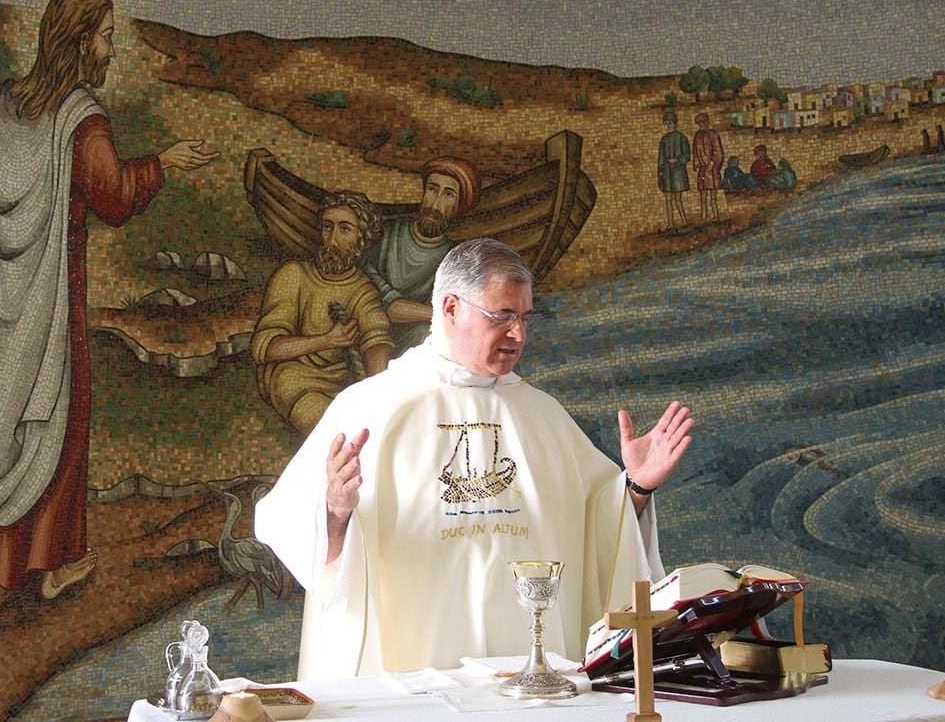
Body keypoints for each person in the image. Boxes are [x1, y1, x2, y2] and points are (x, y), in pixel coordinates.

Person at [255, 238, 694, 679]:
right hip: (411, 673)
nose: (518, 334)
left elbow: (596, 533)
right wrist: (334, 510)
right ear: (450, 308)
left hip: (530, 680)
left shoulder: (542, 414)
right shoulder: (371, 407)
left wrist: (636, 486)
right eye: (502, 315)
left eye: (524, 318)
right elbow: (287, 526)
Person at [0, 0, 219, 610]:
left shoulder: (2, 106)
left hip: (7, 290)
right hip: (54, 292)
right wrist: (165, 162)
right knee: (57, 420)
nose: (111, 51)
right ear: (80, 42)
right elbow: (114, 196)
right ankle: (52, 567)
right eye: (105, 36)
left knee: (6, 423)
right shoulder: (82, 119)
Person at [252, 190, 395, 435]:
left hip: (341, 384)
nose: (332, 240)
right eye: (327, 227)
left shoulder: (362, 290)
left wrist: (378, 400)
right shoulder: (294, 275)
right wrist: (327, 340)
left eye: (345, 229)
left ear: (362, 238)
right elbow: (266, 348)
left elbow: (376, 343)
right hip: (292, 379)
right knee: (327, 427)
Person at [363, 156, 482, 357]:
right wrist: (442, 315)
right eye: (432, 190)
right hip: (370, 333)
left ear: (459, 207)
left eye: (449, 195)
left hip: (410, 343)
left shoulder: (452, 261)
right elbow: (378, 300)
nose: (435, 204)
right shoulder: (388, 234)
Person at [657, 111, 690, 230]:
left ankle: (683, 220)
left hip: (677, 172)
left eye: (670, 123)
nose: (668, 126)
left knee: (677, 198)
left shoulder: (681, 138)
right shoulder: (664, 139)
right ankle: (670, 222)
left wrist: (677, 160)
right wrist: (661, 169)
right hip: (667, 172)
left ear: (675, 124)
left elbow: (686, 155)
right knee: (668, 198)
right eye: (666, 124)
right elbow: (661, 156)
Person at [692, 112, 724, 221]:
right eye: (699, 123)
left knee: (713, 195)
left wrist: (713, 163)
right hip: (702, 169)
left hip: (712, 169)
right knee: (703, 195)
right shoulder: (697, 135)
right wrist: (696, 164)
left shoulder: (713, 134)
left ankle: (716, 216)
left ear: (707, 122)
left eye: (703, 122)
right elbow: (695, 151)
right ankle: (704, 217)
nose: (701, 125)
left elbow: (718, 151)